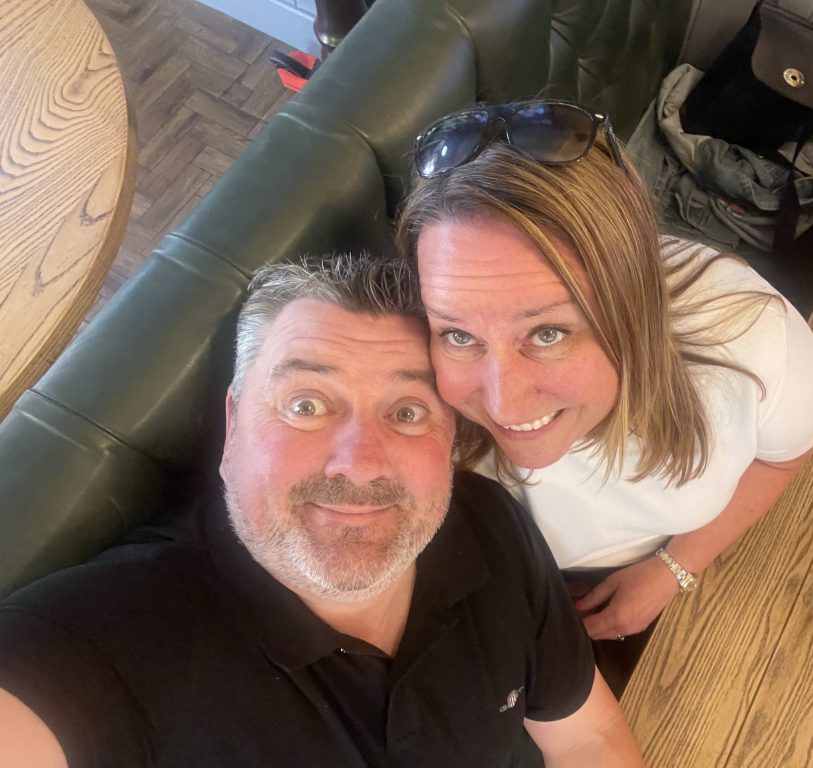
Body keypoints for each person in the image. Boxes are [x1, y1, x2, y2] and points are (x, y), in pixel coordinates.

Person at [0, 254, 644, 767]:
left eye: (407, 412)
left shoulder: (489, 525)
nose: (359, 463)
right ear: (233, 425)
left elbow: (587, 739)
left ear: (452, 439)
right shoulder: (98, 644)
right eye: (305, 405)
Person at [396, 100, 813, 695]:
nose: (504, 405)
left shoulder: (750, 341)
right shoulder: (407, 395)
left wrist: (673, 569)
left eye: (549, 333)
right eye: (459, 335)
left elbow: (782, 457)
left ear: (636, 302)